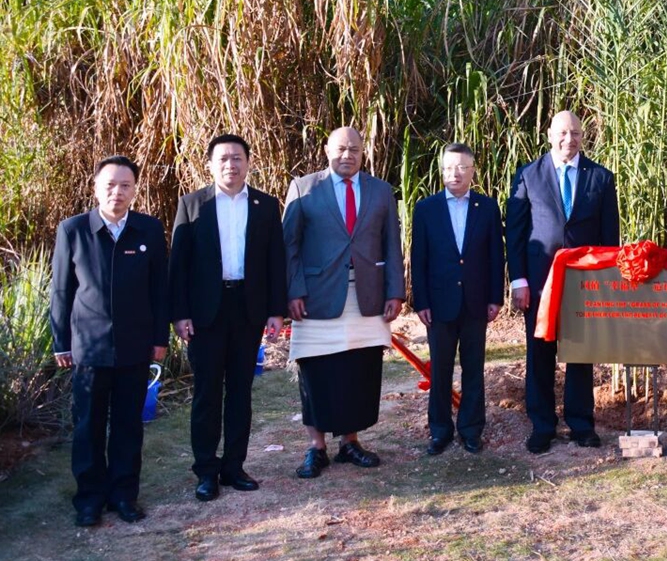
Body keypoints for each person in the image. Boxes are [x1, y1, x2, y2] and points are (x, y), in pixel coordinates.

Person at [50, 156, 168, 526]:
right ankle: (89, 499)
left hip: (134, 346)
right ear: (96, 187)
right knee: (88, 425)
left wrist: (159, 338)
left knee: (128, 425)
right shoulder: (73, 230)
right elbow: (61, 291)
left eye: (125, 185)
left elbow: (159, 290)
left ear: (135, 189)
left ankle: (123, 495)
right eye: (110, 185)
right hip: (89, 347)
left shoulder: (148, 229)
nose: (117, 192)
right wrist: (61, 343)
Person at [168, 134, 288, 501]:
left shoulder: (266, 205)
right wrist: (179, 314)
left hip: (248, 310)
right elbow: (179, 265)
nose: (230, 165)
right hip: (206, 312)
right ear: (210, 164)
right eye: (223, 159)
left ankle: (234, 467)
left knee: (240, 391)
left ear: (248, 163)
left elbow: (275, 261)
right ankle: (206, 470)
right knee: (206, 392)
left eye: (237, 158)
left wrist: (276, 310)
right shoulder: (192, 205)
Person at [282, 126, 405, 478]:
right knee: (316, 371)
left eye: (354, 149)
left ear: (362, 152)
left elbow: (391, 245)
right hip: (316, 296)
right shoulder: (304, 188)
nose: (347, 155)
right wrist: (293, 290)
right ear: (327, 150)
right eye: (340, 149)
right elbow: (289, 246)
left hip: (367, 294)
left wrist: (395, 291)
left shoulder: (381, 191)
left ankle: (350, 443)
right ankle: (316, 447)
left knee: (359, 370)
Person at [507, 110, 620, 454]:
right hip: (539, 284)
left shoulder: (601, 177)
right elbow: (516, 232)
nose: (568, 139)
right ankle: (542, 425)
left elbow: (609, 238)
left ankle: (581, 424)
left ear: (583, 136)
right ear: (549, 134)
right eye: (562, 132)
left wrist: (605, 281)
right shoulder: (529, 174)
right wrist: (519, 281)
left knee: (580, 354)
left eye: (574, 133)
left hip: (584, 283)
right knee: (539, 353)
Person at [410, 143, 504, 455]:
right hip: (438, 304)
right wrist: (420, 301)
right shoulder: (426, 209)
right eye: (450, 167)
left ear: (473, 170)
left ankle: (471, 429)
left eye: (462, 167)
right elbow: (419, 258)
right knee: (440, 370)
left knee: (474, 368)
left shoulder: (487, 208)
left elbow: (495, 257)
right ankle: (440, 430)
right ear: (442, 170)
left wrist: (495, 297)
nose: (456, 173)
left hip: (476, 302)